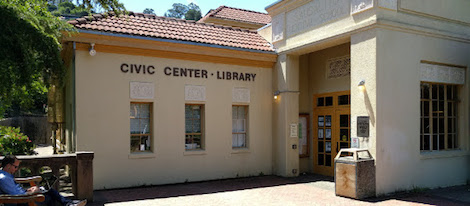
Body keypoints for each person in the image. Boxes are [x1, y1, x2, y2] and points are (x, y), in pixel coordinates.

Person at [0, 155, 87, 206]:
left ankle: (69, 203)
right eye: (15, 167)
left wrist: (30, 190)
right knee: (49, 197)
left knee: (48, 189)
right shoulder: (4, 179)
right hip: (23, 201)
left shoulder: (6, 175)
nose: (17, 169)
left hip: (24, 195)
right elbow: (16, 196)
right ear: (8, 166)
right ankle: (69, 204)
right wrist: (30, 193)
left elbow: (15, 190)